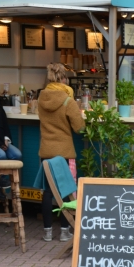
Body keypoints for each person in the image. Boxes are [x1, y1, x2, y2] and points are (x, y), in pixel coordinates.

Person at [37, 63, 85, 242]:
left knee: (48, 191)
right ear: (64, 79)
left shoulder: (41, 98)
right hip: (64, 151)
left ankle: (47, 232)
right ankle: (65, 231)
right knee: (66, 190)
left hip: (46, 151)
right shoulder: (68, 100)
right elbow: (79, 127)